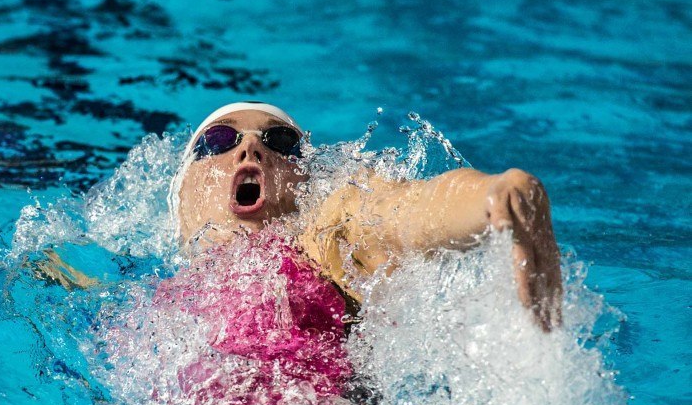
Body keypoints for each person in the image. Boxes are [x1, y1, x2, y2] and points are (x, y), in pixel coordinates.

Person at [171, 101, 562, 331]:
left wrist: (494, 196)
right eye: (217, 141)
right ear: (182, 196)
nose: (252, 148)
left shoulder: (328, 242)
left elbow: (405, 212)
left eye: (282, 143)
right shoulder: (157, 287)